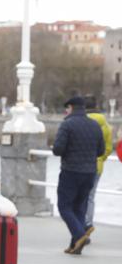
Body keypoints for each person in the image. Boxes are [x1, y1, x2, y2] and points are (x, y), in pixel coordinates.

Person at [52, 96, 105, 254]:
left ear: (71, 108)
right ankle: (75, 245)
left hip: (71, 171)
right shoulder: (95, 125)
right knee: (80, 208)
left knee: (64, 206)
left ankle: (80, 235)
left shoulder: (67, 124)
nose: (66, 111)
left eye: (66, 108)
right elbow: (101, 151)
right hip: (90, 172)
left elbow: (58, 150)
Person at [84, 97, 113, 231]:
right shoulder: (105, 125)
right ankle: (88, 223)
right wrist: (101, 159)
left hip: (81, 165)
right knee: (90, 196)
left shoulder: (81, 122)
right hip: (97, 166)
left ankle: (79, 225)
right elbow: (108, 148)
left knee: (78, 196)